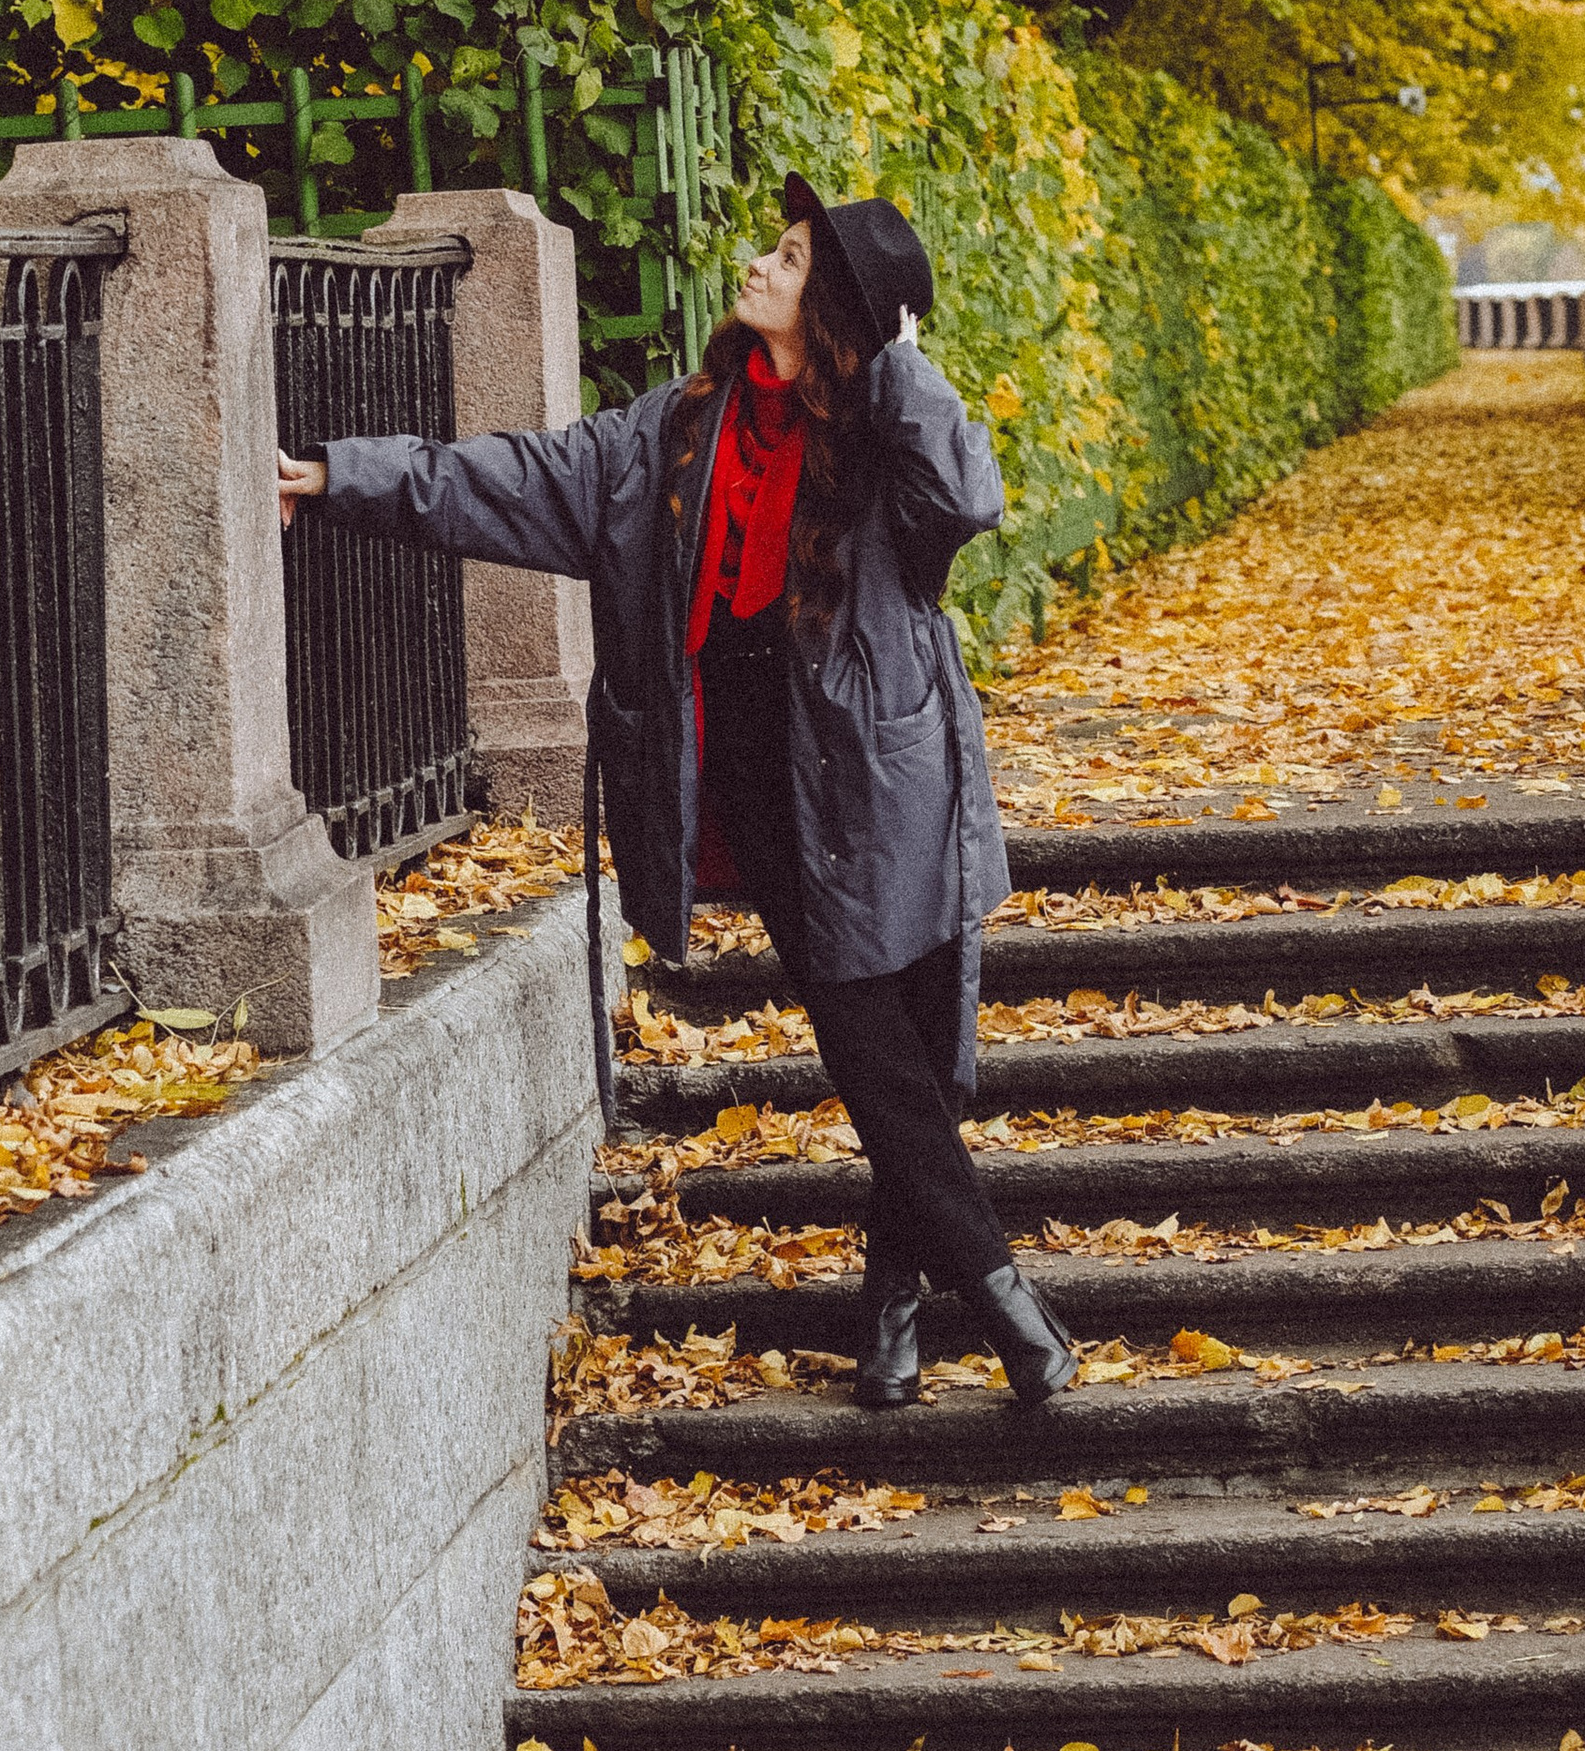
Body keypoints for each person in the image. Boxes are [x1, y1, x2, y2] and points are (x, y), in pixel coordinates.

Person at [277, 173, 1077, 1410]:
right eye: (774, 248)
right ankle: (1011, 1303)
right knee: (868, 1041)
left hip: (890, 768)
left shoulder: (884, 436)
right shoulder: (672, 431)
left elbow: (970, 500)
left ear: (842, 317)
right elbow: (508, 479)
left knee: (921, 1058)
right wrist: (339, 475)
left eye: (793, 260)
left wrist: (903, 370)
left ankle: (893, 1309)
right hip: (761, 772)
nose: (760, 264)